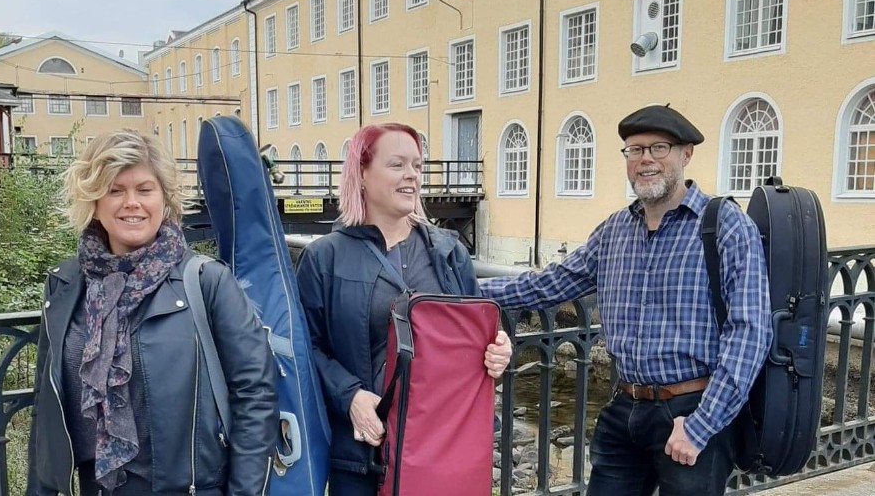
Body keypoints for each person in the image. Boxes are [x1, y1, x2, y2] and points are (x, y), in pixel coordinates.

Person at [480, 105, 772, 496]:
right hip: (625, 407)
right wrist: (459, 288)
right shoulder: (615, 230)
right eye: (634, 150)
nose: (645, 160)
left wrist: (703, 424)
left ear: (686, 154)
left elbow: (750, 332)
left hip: (691, 410)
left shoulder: (726, 225)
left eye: (659, 148)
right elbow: (550, 284)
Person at [26, 130, 278, 496]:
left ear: (164, 199)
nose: (132, 203)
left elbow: (255, 396)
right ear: (94, 200)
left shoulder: (207, 282)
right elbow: (44, 406)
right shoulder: (65, 285)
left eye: (145, 189)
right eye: (115, 190)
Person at [295, 123, 513, 496]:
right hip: (360, 453)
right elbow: (305, 347)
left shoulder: (447, 252)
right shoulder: (323, 258)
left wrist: (499, 349)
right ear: (361, 173)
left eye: (417, 165)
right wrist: (350, 397)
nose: (412, 175)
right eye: (397, 164)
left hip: (437, 451)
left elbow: (478, 335)